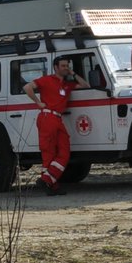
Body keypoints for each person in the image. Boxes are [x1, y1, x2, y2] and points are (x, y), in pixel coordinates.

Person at [24, 55, 90, 195]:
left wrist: (73, 73)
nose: (66, 68)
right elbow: (27, 87)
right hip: (47, 117)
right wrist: (37, 102)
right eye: (63, 66)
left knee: (64, 151)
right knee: (49, 153)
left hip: (57, 119)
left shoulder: (67, 84)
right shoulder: (47, 80)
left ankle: (47, 180)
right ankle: (51, 186)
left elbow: (85, 85)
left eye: (67, 66)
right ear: (55, 67)